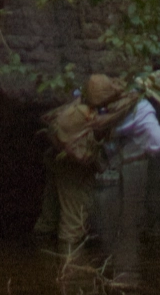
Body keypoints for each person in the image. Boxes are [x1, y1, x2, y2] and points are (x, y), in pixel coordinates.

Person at [33, 73, 130, 255]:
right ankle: (71, 269)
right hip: (72, 171)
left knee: (49, 220)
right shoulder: (79, 118)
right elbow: (84, 152)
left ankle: (42, 259)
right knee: (73, 227)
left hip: (58, 162)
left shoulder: (81, 105)